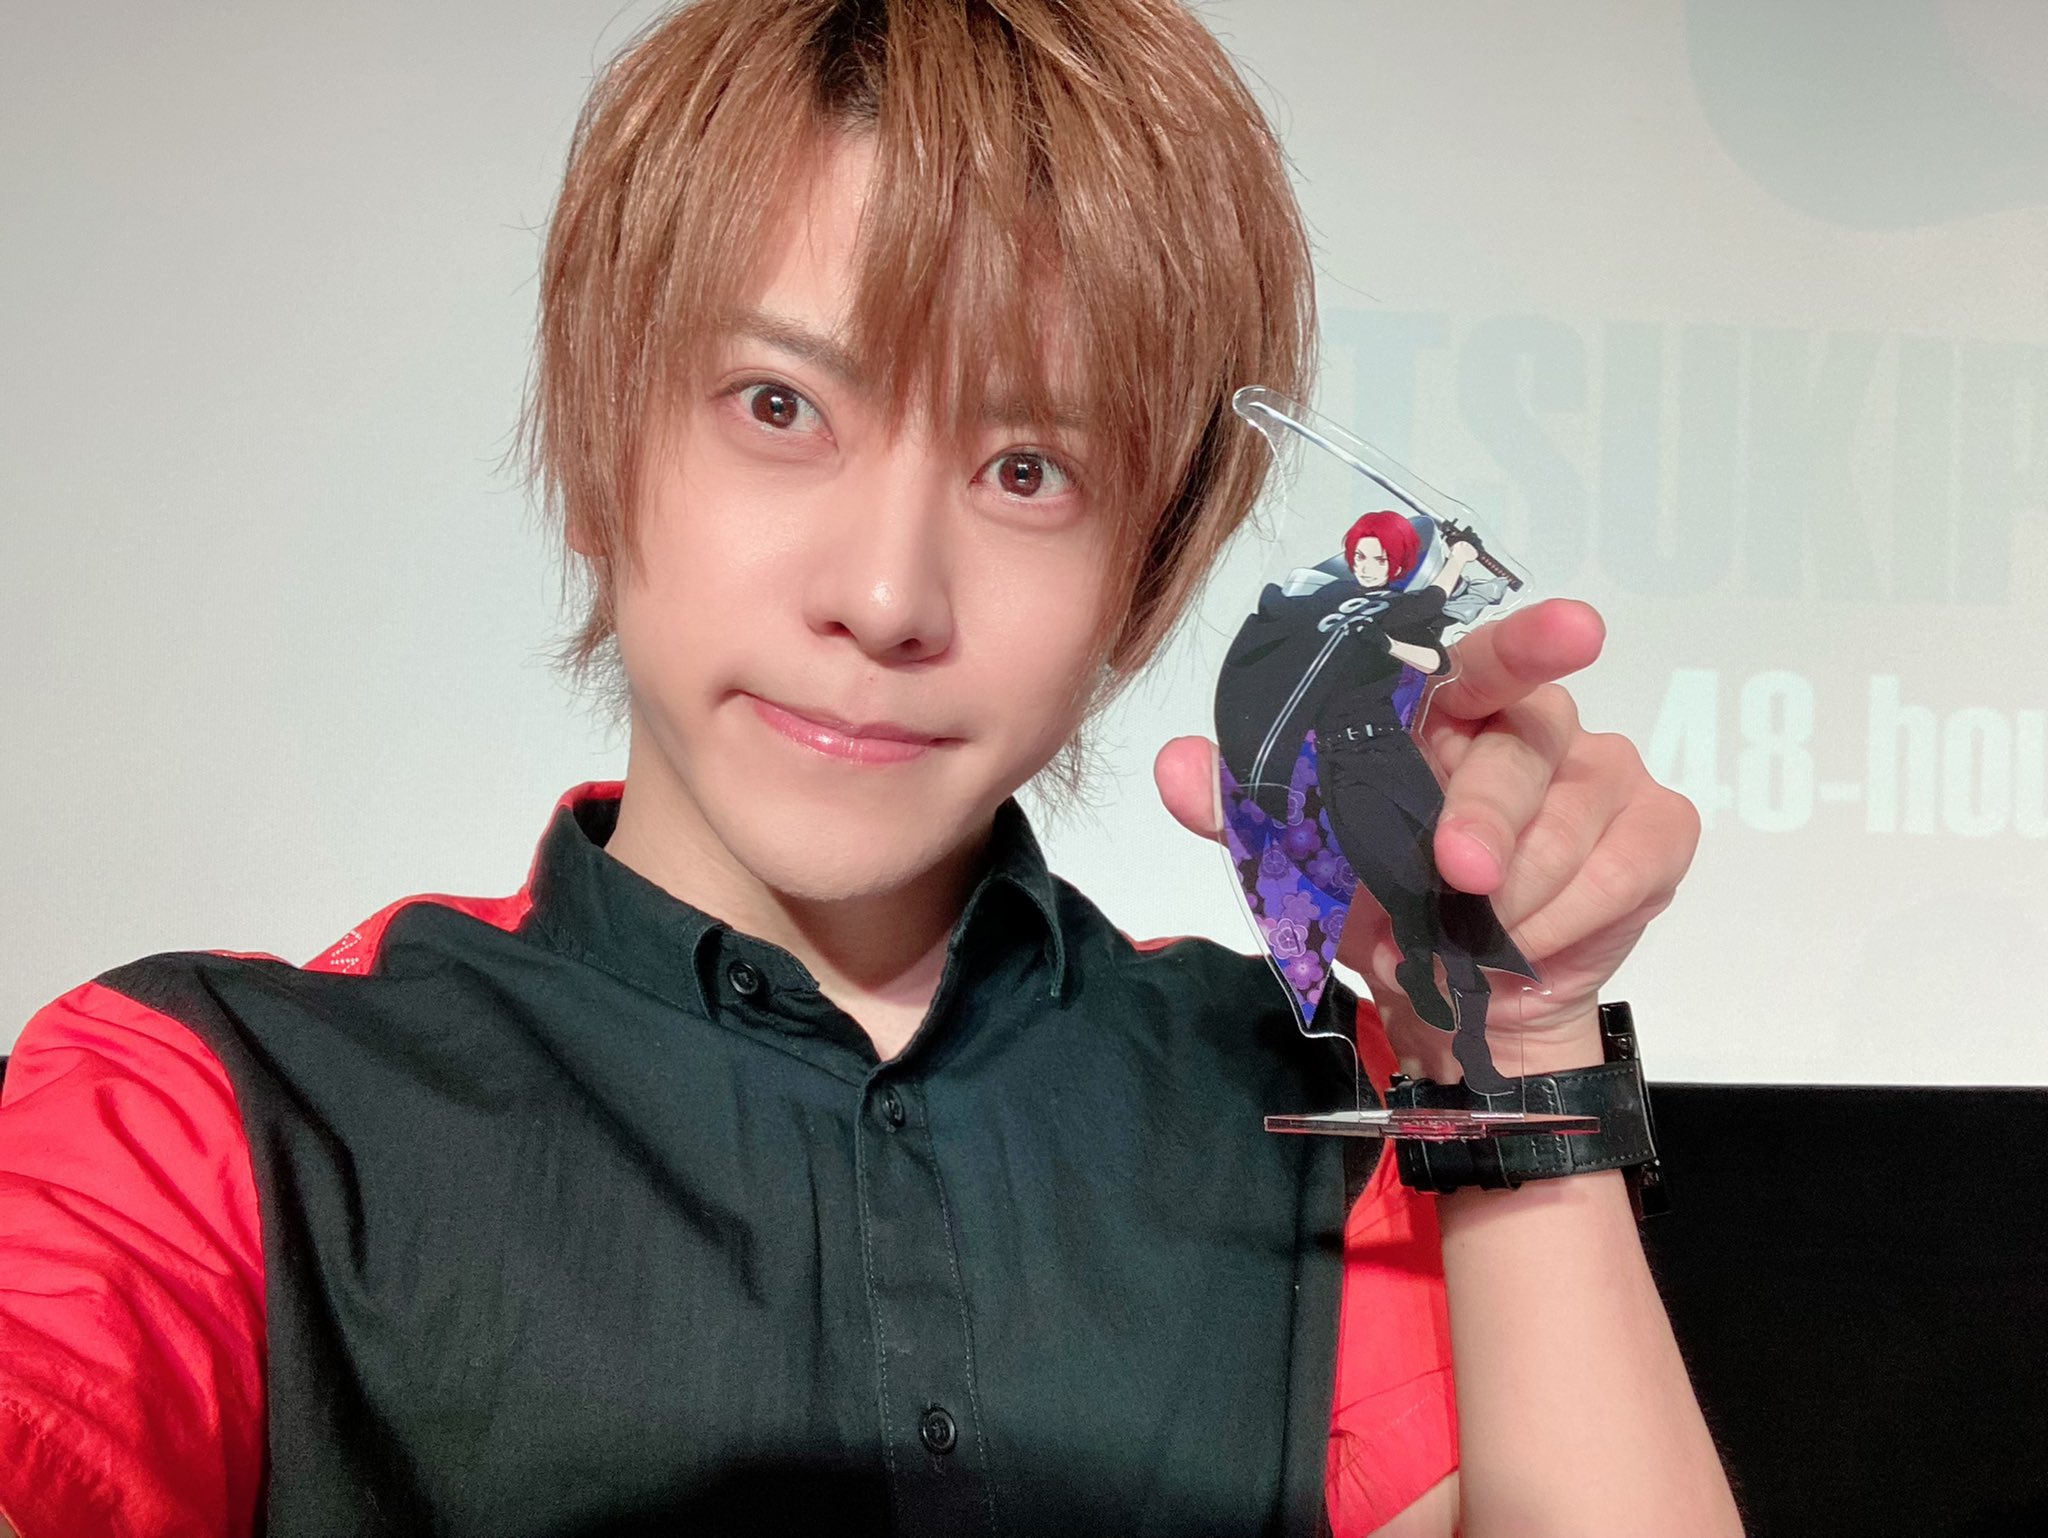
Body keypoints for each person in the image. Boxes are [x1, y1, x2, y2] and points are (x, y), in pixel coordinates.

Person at [0, 3, 1741, 1536]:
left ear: (1141, 578)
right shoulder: (207, 1108)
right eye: (780, 405)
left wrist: (1513, 1041)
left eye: (1028, 467)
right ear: (601, 448)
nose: (889, 595)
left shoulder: (1303, 1115)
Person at [1216, 510, 1534, 1096]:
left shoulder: (1393, 612)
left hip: (1395, 755)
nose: (1366, 567)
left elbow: (1436, 658)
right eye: (1359, 556)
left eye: (1379, 559)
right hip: (1344, 768)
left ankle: (1473, 1043)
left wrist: (1411, 615)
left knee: (1451, 888)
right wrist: (1455, 562)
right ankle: (1417, 965)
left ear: (1397, 564)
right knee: (1406, 882)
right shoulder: (1325, 617)